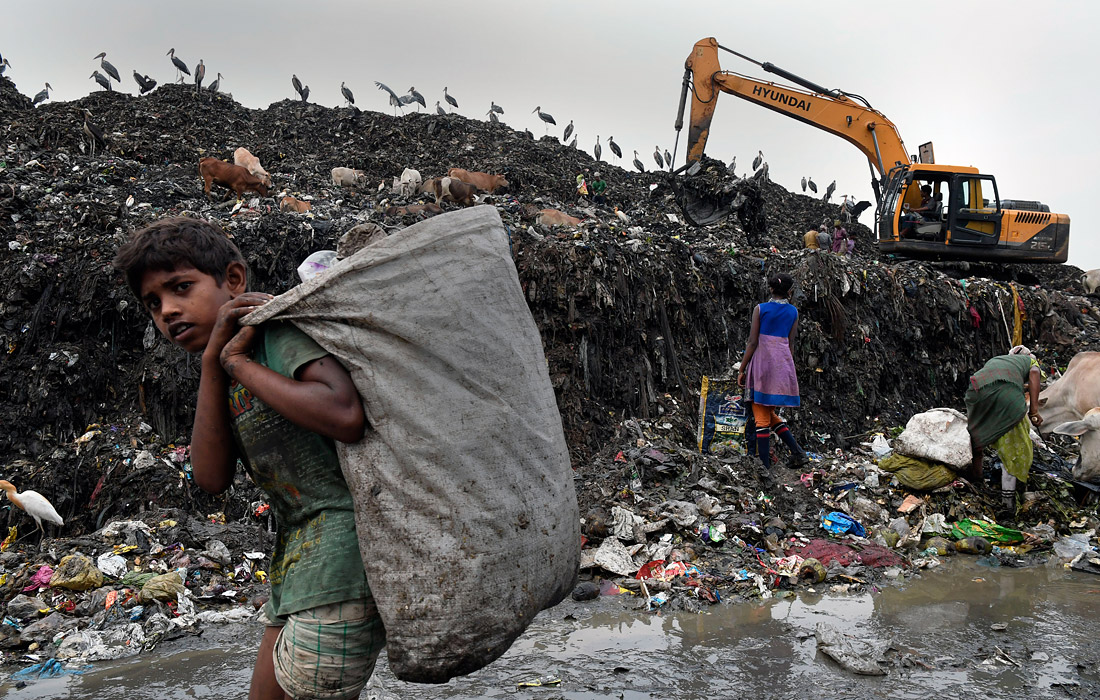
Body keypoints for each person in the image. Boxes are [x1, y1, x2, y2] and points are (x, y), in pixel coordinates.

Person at [113, 218, 384, 700]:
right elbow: (210, 477)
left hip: (346, 557)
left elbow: (345, 413)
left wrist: (237, 363)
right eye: (153, 303)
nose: (168, 310)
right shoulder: (223, 364)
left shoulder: (277, 337)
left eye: (181, 288)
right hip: (296, 563)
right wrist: (215, 366)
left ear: (233, 280)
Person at [738, 272, 808, 474]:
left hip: (762, 364)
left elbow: (752, 342)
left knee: (761, 417)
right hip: (782, 364)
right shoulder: (793, 312)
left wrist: (742, 368)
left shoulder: (760, 309)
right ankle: (797, 452)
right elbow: (791, 342)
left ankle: (764, 467)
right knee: (769, 412)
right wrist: (788, 367)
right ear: (789, 291)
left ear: (770, 289)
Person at [964, 345, 1043, 511]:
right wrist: (1034, 411)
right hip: (1007, 397)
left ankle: (978, 481)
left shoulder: (999, 360)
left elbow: (998, 382)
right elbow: (1035, 374)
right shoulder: (1030, 361)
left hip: (975, 391)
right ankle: (1007, 503)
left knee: (977, 434)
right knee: (1013, 449)